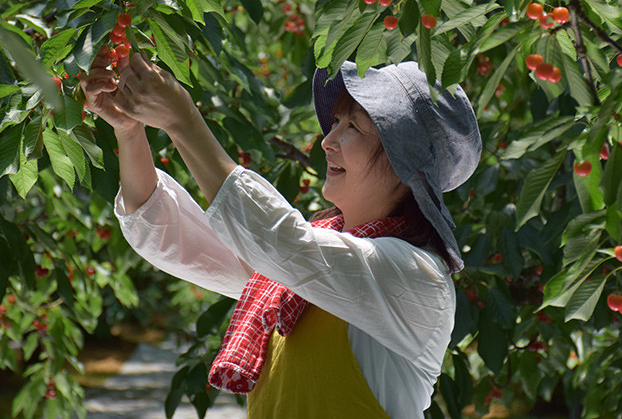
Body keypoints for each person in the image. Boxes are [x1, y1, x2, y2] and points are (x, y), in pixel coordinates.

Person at [78, 46, 482, 418]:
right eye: (335, 122)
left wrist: (183, 120)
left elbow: (276, 239)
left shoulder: (415, 277)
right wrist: (130, 132)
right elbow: (174, 238)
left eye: (353, 127)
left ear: (402, 163)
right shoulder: (294, 279)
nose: (328, 141)